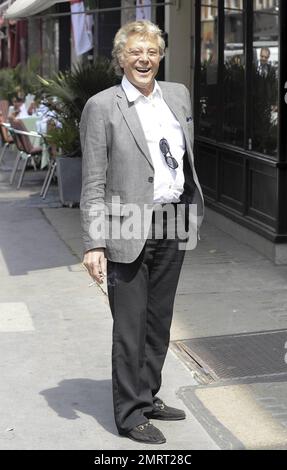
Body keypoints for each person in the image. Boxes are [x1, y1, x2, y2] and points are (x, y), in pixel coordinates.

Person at [80, 20, 204, 445]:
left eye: (151, 51)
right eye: (135, 52)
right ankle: (130, 414)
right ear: (120, 59)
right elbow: (93, 180)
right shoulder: (102, 106)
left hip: (173, 220)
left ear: (161, 55)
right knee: (129, 326)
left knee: (158, 321)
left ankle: (148, 395)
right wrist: (94, 242)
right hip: (127, 224)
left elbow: (185, 160)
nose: (144, 59)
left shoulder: (178, 95)